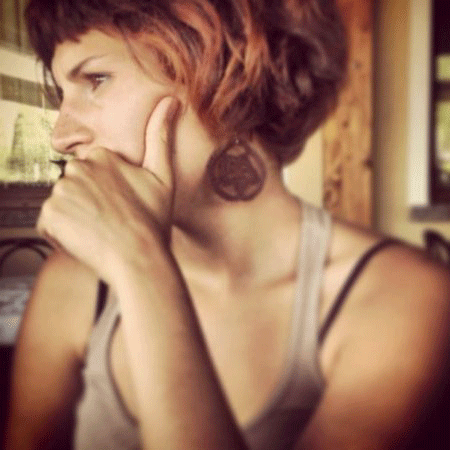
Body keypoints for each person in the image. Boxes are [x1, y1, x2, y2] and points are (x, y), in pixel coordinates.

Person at [3, 0, 450, 449]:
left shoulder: (403, 296)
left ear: (227, 73)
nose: (62, 137)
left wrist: (142, 268)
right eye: (63, 94)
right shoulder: (72, 282)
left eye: (97, 79)